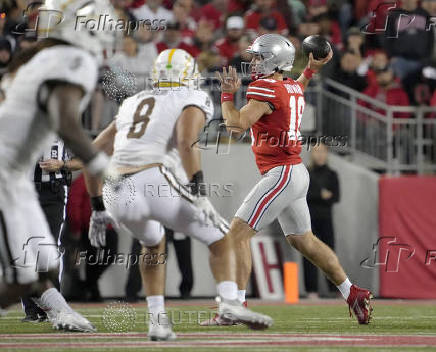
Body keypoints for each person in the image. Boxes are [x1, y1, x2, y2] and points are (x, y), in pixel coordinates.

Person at [85, 48, 273, 340]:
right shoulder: (192, 97)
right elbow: (187, 141)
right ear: (188, 74)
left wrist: (97, 207)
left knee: (152, 243)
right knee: (222, 237)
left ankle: (157, 322)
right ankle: (229, 304)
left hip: (114, 191)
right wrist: (198, 189)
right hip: (151, 179)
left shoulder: (134, 101)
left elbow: (92, 153)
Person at [216, 33, 373, 325]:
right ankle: (352, 292)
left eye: (259, 57)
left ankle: (235, 307)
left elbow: (235, 125)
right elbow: (296, 88)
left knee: (236, 235)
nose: (253, 63)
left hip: (282, 173)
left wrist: (226, 95)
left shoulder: (265, 88)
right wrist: (311, 70)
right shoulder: (289, 87)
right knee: (305, 241)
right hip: (296, 173)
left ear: (274, 61)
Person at [0, 0, 118, 332]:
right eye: (96, 22)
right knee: (22, 274)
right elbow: (67, 123)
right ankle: (61, 311)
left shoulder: (39, 58)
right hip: (7, 173)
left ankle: (61, 310)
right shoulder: (69, 59)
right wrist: (101, 166)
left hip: (17, 176)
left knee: (45, 263)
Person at [21, 139, 81, 322]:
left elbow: (84, 159)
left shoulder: (62, 124)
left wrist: (62, 164)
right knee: (25, 248)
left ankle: (55, 306)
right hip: (23, 191)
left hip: (53, 193)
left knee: (50, 248)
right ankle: (32, 309)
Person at [305, 143, 340, 297]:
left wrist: (319, 195)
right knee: (309, 254)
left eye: (322, 152)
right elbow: (304, 195)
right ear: (312, 154)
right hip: (309, 220)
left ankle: (334, 289)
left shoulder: (332, 174)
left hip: (326, 219)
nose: (319, 155)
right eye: (316, 151)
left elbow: (336, 197)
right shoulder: (306, 173)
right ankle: (311, 290)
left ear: (327, 154)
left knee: (329, 254)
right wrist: (321, 195)